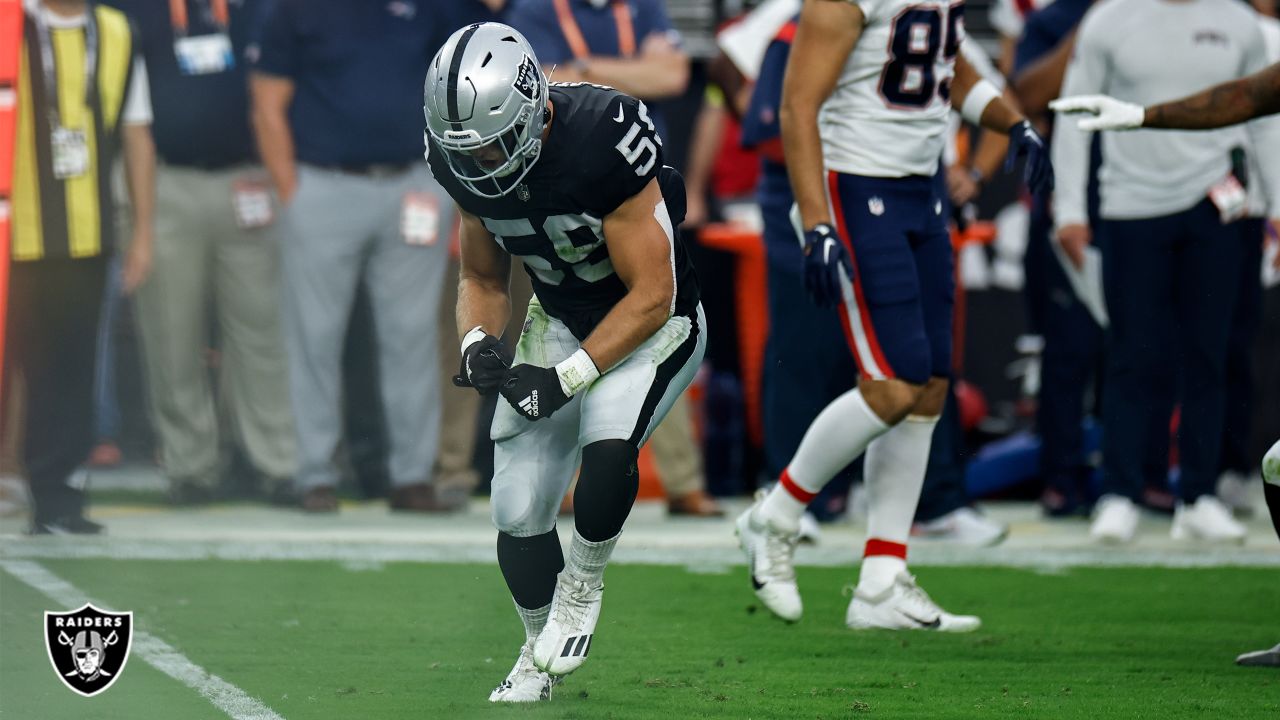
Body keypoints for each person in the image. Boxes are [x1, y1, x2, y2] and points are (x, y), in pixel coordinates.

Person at [734, 0, 1052, 629]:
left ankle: (881, 581)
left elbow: (944, 65)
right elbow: (798, 106)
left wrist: (1011, 121)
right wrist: (817, 221)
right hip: (855, 183)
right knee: (894, 382)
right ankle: (776, 515)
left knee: (930, 385)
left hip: (920, 188)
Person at [425, 22, 704, 701]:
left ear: (528, 110)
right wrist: (477, 346)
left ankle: (582, 584)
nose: (480, 161)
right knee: (516, 507)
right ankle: (534, 649)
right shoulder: (459, 159)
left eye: (491, 143)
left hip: (652, 325)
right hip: (559, 315)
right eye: (466, 148)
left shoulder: (601, 134)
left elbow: (653, 293)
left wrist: (566, 378)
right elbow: (484, 280)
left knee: (607, 444)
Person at [1049, 0, 1280, 545]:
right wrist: (1070, 211)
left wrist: (1276, 204)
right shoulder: (1108, 18)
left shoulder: (1238, 21)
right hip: (1130, 205)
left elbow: (1261, 112)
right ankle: (1121, 492)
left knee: (1211, 352)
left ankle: (1199, 494)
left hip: (1217, 205)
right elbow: (1074, 115)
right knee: (1131, 352)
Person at [249, 0, 462, 513]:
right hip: (323, 184)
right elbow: (267, 101)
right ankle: (314, 475)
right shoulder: (293, 10)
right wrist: (291, 194)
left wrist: (446, 188)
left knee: (412, 337)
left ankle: (412, 476)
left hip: (413, 183)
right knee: (314, 337)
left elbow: (457, 90)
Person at [106, 0, 296, 505]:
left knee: (263, 332)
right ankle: (191, 466)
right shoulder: (135, 10)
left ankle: (274, 463)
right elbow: (130, 116)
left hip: (248, 181)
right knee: (171, 333)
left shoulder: (257, 9)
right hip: (165, 183)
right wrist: (141, 221)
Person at [7, 0, 154, 533]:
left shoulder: (116, 30)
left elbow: (137, 133)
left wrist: (142, 232)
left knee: (68, 374)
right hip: (9, 235)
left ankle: (58, 497)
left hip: (86, 236)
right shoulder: (7, 22)